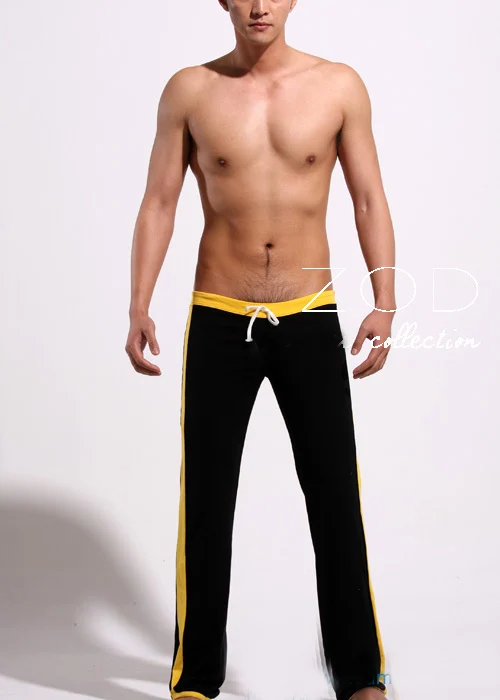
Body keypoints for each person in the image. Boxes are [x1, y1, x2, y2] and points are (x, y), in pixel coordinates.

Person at [125, 1, 396, 699]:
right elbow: (160, 201)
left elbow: (368, 197)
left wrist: (384, 300)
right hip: (220, 316)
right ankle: (195, 681)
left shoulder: (338, 85)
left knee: (335, 497)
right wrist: (139, 304)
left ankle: (362, 676)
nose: (257, 5)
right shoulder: (190, 90)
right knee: (206, 502)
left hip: (309, 314)